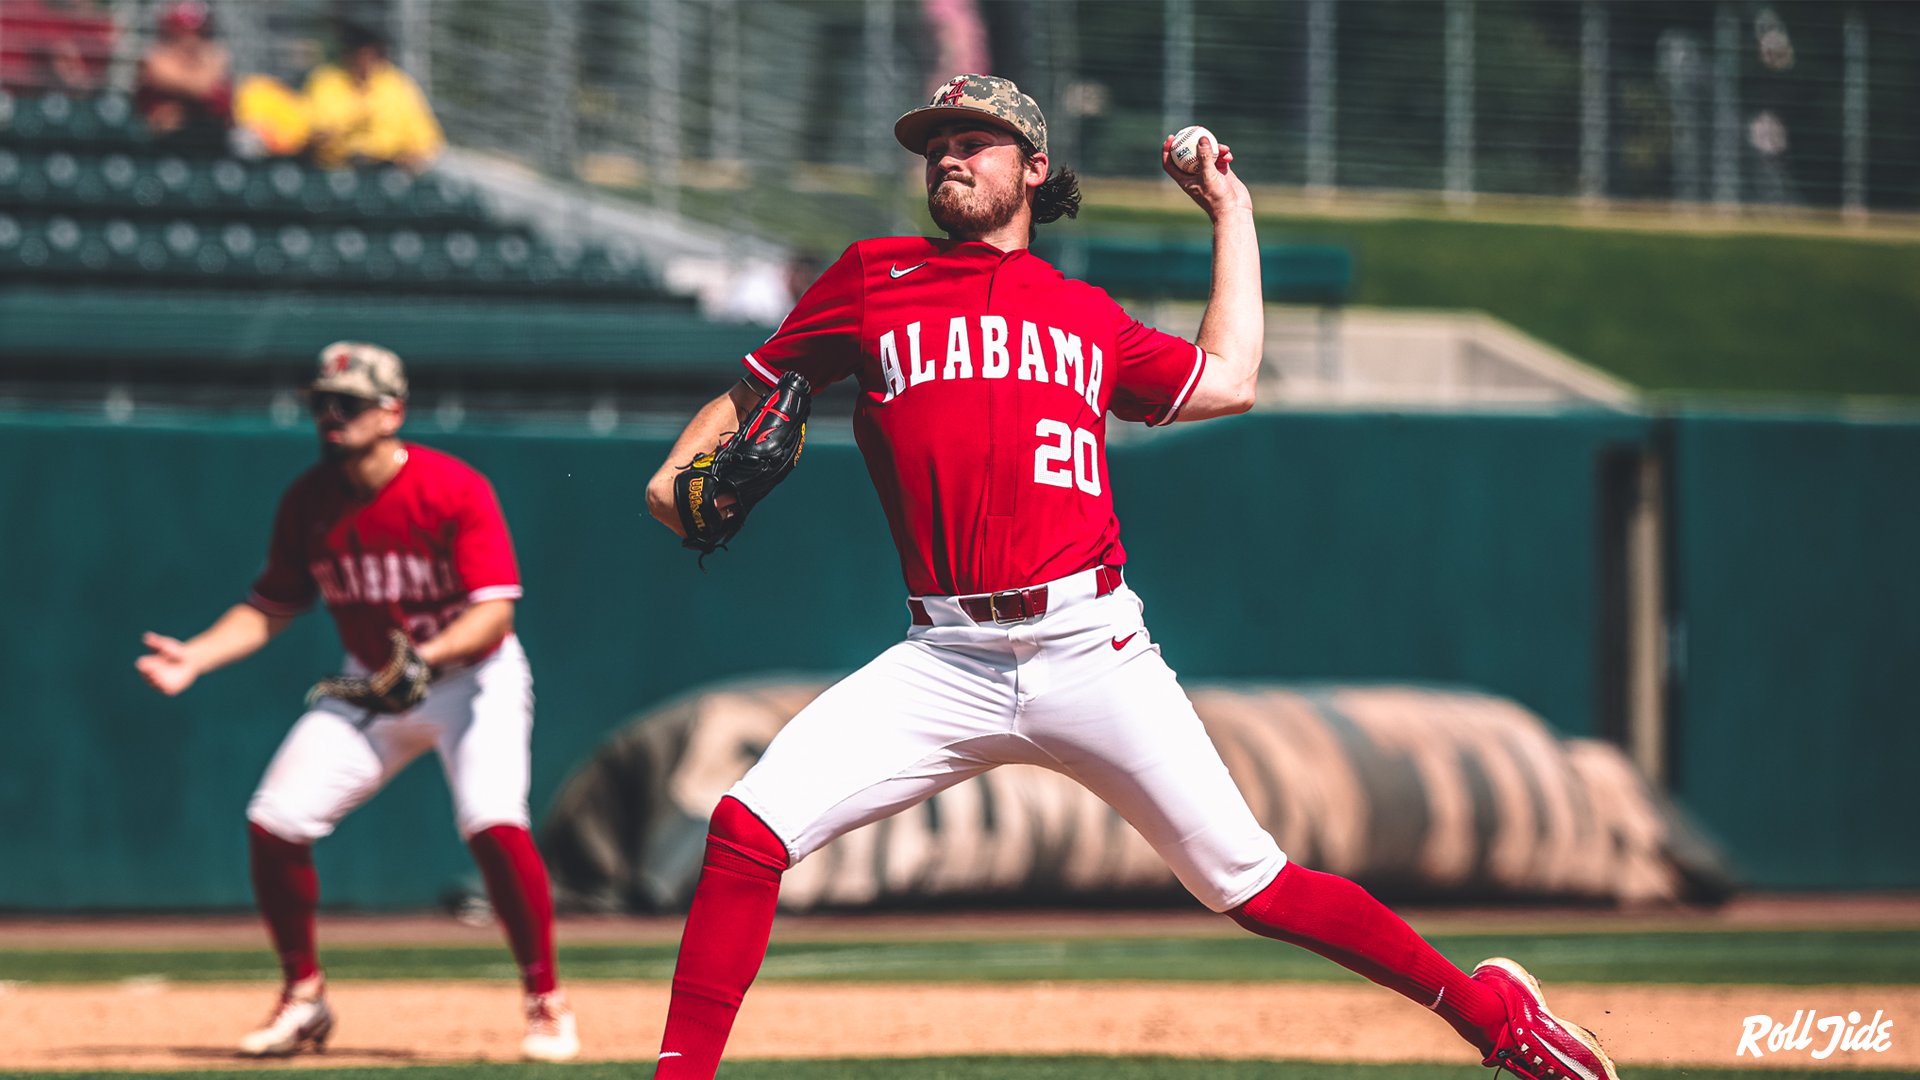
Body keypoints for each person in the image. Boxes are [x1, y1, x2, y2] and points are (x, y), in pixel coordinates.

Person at [641, 74, 1620, 1080]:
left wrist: (1231, 212)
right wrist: (671, 482)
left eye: (974, 141)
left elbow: (1229, 379)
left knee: (1251, 883)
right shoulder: (872, 277)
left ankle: (1498, 1020)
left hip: (1090, 647)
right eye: (936, 145)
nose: (948, 156)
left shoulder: (1086, 315)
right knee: (747, 830)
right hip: (946, 657)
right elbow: (752, 392)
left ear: (1033, 169)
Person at [135, 342, 579, 1063]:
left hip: (474, 679)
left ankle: (546, 1000)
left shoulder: (452, 487)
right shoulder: (309, 501)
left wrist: (427, 658)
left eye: (348, 403)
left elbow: (494, 612)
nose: (330, 415)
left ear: (392, 412)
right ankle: (303, 996)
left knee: (493, 821)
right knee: (275, 820)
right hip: (373, 683)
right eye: (321, 403)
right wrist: (197, 654)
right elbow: (271, 606)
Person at [302, 18, 443, 172]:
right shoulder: (325, 81)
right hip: (334, 169)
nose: (365, 62)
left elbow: (426, 140)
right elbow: (308, 133)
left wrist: (412, 157)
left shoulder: (396, 85)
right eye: (360, 54)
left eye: (372, 55)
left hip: (385, 169)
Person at [134, 1, 232, 145]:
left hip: (209, 140)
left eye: (199, 34)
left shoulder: (214, 56)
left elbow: (206, 84)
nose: (190, 41)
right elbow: (201, 87)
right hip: (162, 143)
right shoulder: (153, 58)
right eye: (180, 34)